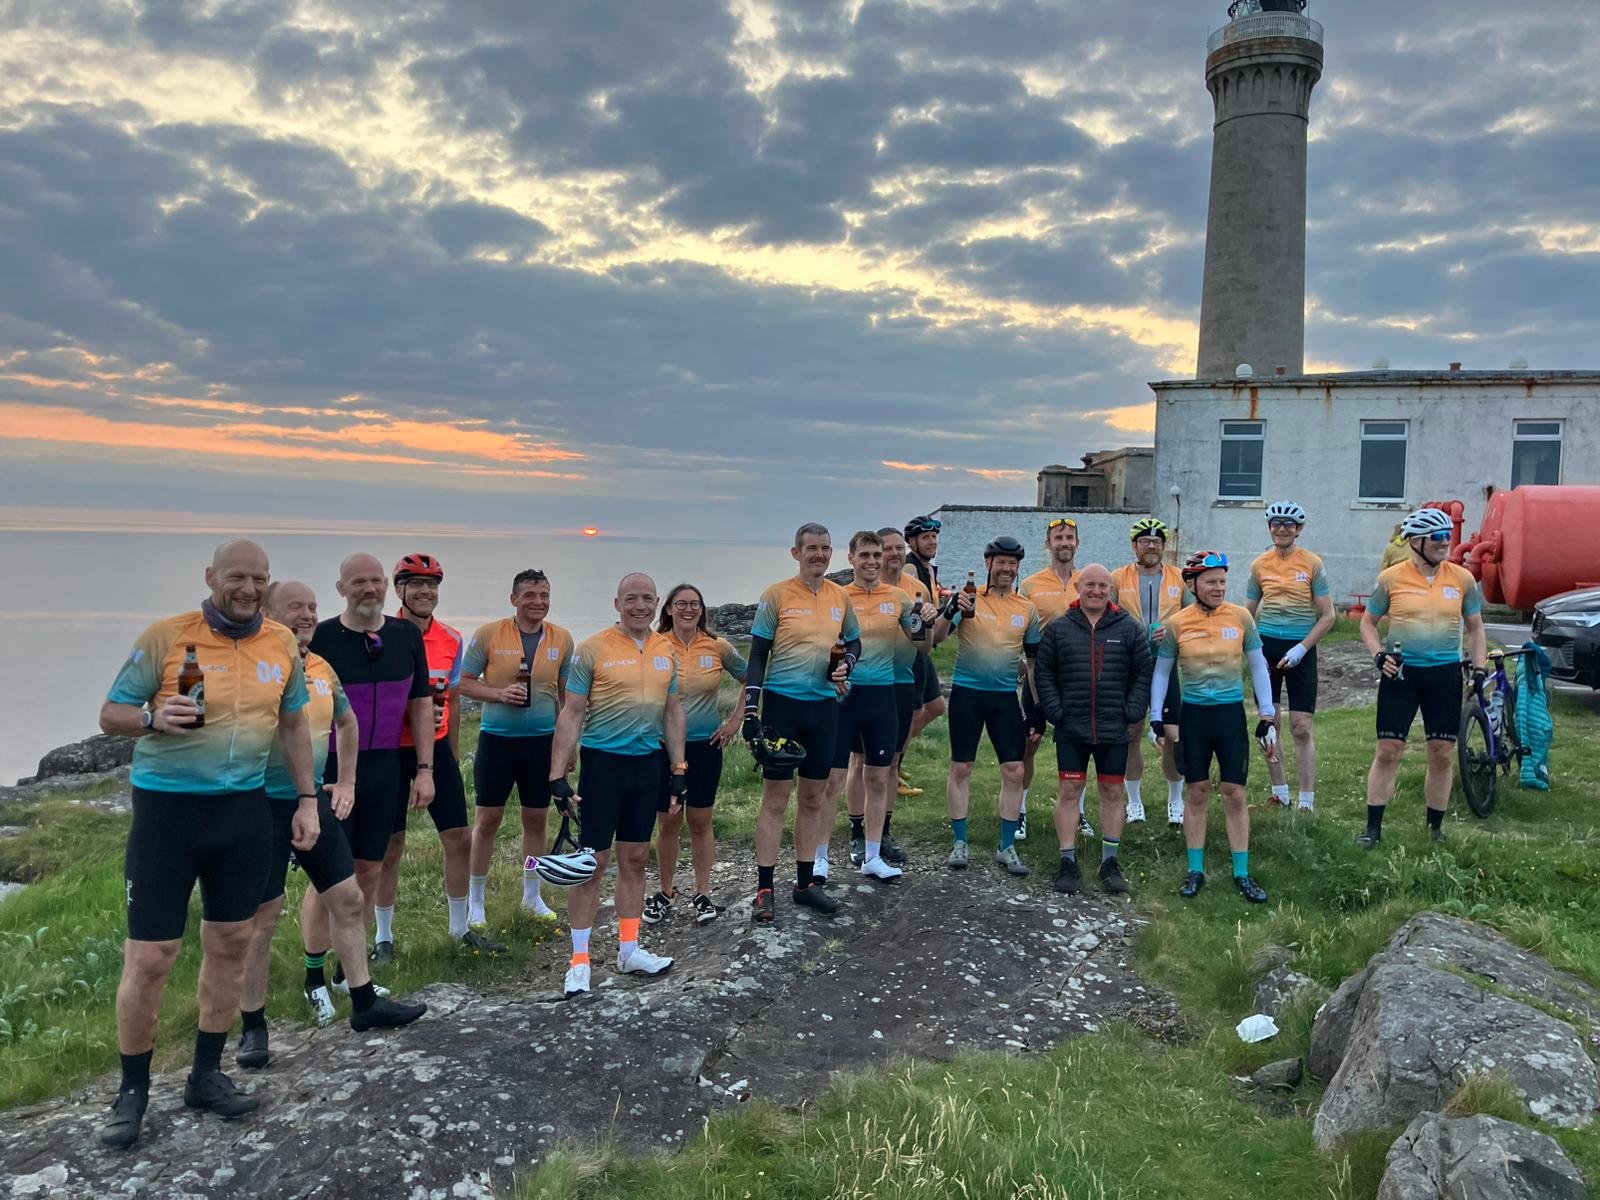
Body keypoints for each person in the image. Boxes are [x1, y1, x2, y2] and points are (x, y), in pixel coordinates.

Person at [96, 540, 312, 1149]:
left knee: (232, 942)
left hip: (243, 812)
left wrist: (306, 799)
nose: (247, 588)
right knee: (151, 957)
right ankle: (132, 1091)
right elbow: (111, 711)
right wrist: (149, 718)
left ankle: (206, 1076)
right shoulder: (168, 636)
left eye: (258, 579)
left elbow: (294, 722)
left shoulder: (280, 642)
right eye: (236, 577)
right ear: (211, 576)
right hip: (168, 814)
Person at [237, 580, 426, 1065]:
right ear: (268, 613)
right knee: (263, 918)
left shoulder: (320, 666)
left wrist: (345, 782)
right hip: (259, 804)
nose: (306, 615)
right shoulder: (251, 665)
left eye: (312, 607)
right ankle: (253, 1026)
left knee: (348, 899)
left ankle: (363, 1002)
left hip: (310, 799)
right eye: (295, 607)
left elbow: (347, 721)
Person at [549, 573, 687, 997]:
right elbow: (572, 712)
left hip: (648, 765)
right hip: (603, 766)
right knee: (593, 863)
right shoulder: (593, 649)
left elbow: (672, 710)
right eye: (632, 598)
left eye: (647, 598)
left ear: (657, 602)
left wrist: (679, 768)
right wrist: (556, 776)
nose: (640, 605)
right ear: (617, 603)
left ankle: (630, 949)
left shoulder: (667, 649)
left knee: (635, 858)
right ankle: (579, 961)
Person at [306, 554, 435, 968]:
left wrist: (425, 770)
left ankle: (351, 968)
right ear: (341, 589)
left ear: (387, 586)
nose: (369, 589)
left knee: (369, 871)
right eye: (358, 582)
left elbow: (420, 704)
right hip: (330, 768)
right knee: (325, 876)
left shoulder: (405, 636)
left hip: (386, 768)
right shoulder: (322, 638)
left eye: (375, 581)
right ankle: (313, 969)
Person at [742, 523, 862, 921]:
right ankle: (764, 888)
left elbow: (855, 641)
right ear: (796, 552)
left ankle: (806, 883)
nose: (819, 555)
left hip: (824, 708)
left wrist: (847, 664)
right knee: (776, 799)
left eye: (825, 548)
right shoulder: (776, 595)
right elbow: (758, 656)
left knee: (814, 797)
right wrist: (751, 711)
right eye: (811, 548)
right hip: (782, 706)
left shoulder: (839, 596)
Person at [1150, 551, 1277, 904]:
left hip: (1230, 715)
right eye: (1210, 581)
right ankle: (1195, 869)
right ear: (1192, 584)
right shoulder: (1177, 623)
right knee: (1197, 791)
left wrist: (1266, 715)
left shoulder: (1240, 618)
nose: (1218, 587)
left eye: (1222, 581)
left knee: (1235, 793)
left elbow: (1259, 666)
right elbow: (1162, 672)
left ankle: (1242, 872)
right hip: (1195, 716)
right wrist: (1156, 717)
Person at [390, 554, 501, 952]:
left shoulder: (450, 639)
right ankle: (383, 937)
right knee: (391, 845)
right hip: (391, 750)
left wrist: (450, 756)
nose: (426, 592)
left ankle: (459, 931)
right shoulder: (382, 636)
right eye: (416, 584)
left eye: (432, 585)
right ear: (398, 589)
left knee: (457, 837)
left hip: (436, 748)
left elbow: (452, 698)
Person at [1359, 507, 1486, 848]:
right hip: (1401, 672)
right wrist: (1378, 655)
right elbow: (1368, 623)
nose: (1446, 543)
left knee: (1442, 752)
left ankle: (1434, 829)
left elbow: (1475, 628)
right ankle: (1373, 828)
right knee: (1389, 750)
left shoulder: (1462, 579)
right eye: (1438, 537)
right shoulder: (1391, 578)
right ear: (1416, 542)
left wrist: (1479, 668)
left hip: (1444, 673)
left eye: (1448, 536)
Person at [459, 569, 575, 926]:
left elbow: (567, 698)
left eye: (544, 595)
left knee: (536, 819)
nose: (537, 602)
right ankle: (475, 902)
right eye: (529, 595)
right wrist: (497, 694)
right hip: (497, 741)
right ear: (514, 599)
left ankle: (532, 895)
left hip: (541, 742)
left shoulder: (562, 639)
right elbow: (461, 682)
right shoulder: (489, 634)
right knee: (488, 821)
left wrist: (569, 748)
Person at [1034, 564, 1152, 895]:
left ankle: (1109, 862)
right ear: (1078, 588)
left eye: (1103, 585)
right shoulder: (1059, 629)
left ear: (1111, 590)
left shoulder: (1128, 628)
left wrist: (1132, 710)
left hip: (1115, 728)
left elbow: (1144, 671)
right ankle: (1067, 861)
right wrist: (1055, 711)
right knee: (1070, 792)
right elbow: (1044, 671)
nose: (1096, 590)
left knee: (1113, 792)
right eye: (1090, 585)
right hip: (1072, 726)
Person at [930, 535, 1043, 877]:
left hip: (1005, 697)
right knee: (962, 768)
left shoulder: (1027, 608)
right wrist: (951, 610)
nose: (1006, 569)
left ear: (1017, 568)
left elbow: (1034, 663)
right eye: (1001, 562)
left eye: (1012, 563)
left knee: (1015, 771)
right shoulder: (968, 599)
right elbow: (935, 639)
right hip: (967, 693)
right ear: (988, 564)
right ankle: (960, 842)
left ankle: (1006, 846)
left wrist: (1037, 707)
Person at [816, 531, 919, 883]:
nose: (872, 561)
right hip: (844, 697)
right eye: (865, 555)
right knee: (833, 778)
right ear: (851, 558)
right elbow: (822, 644)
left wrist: (932, 618)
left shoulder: (900, 598)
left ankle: (873, 856)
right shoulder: (838, 596)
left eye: (877, 555)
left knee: (878, 775)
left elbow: (922, 643)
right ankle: (819, 859)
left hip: (883, 695)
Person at [644, 583, 745, 926]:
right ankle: (666, 891)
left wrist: (734, 723)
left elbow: (752, 677)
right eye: (681, 603)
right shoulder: (654, 644)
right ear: (669, 609)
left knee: (700, 822)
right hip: (662, 747)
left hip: (705, 746)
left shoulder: (718, 646)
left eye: (695, 604)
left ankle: (703, 893)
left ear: (703, 610)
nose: (688, 609)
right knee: (668, 821)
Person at [1245, 503, 1336, 812]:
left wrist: (1302, 649)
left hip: (1301, 648)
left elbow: (1328, 616)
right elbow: (1248, 612)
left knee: (1301, 726)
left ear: (1299, 529)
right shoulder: (1259, 565)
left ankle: (1307, 801)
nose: (1281, 529)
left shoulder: (1312, 563)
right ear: (1270, 527)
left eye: (1288, 524)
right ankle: (1280, 792)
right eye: (1275, 523)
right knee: (1270, 725)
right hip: (1266, 648)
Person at [1109, 518, 1190, 827]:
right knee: (1131, 733)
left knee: (1173, 734)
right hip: (1130, 665)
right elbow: (1108, 616)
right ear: (1135, 546)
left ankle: (1175, 800)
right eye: (1145, 541)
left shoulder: (1180, 577)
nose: (1152, 545)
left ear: (1164, 546)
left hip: (1166, 663)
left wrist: (1172, 629)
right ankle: (1134, 802)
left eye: (1157, 541)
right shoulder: (1119, 577)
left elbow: (1192, 615)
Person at [1018, 517, 1092, 840]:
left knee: (1083, 746)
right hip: (1039, 675)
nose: (1064, 543)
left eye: (1069, 537)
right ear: (1048, 544)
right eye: (1058, 537)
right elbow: (1019, 629)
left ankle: (1079, 814)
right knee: (1027, 746)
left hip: (1080, 678)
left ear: (1077, 543)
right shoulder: (1031, 585)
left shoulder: (1088, 581)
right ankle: (1018, 811)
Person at [902, 515, 948, 755]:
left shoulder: (928, 568)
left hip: (924, 646)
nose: (932, 542)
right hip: (913, 648)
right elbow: (912, 609)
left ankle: (896, 758)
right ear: (912, 542)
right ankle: (894, 760)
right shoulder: (910, 567)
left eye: (934, 537)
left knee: (937, 706)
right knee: (915, 710)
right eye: (926, 537)